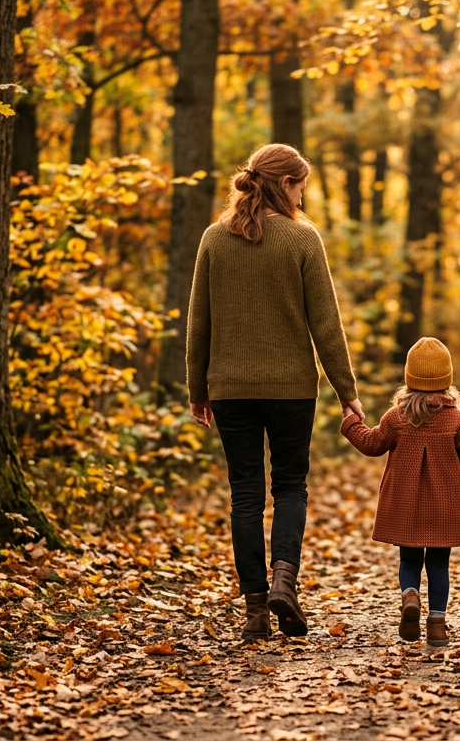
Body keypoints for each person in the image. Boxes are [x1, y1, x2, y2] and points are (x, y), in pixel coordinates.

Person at [185, 143, 363, 642]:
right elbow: (325, 325)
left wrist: (197, 388)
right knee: (289, 488)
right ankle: (285, 578)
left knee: (245, 494)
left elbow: (200, 323)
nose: (303, 196)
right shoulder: (303, 240)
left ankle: (256, 610)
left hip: (230, 389)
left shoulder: (213, 240)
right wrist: (345, 391)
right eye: (301, 185)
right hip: (291, 390)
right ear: (284, 184)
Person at [339, 337, 460, 646]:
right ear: (447, 379)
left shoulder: (396, 418)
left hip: (405, 505)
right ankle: (437, 626)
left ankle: (410, 597)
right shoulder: (458, 419)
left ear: (409, 378)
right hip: (445, 507)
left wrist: (350, 424)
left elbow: (372, 444)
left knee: (409, 560)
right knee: (439, 565)